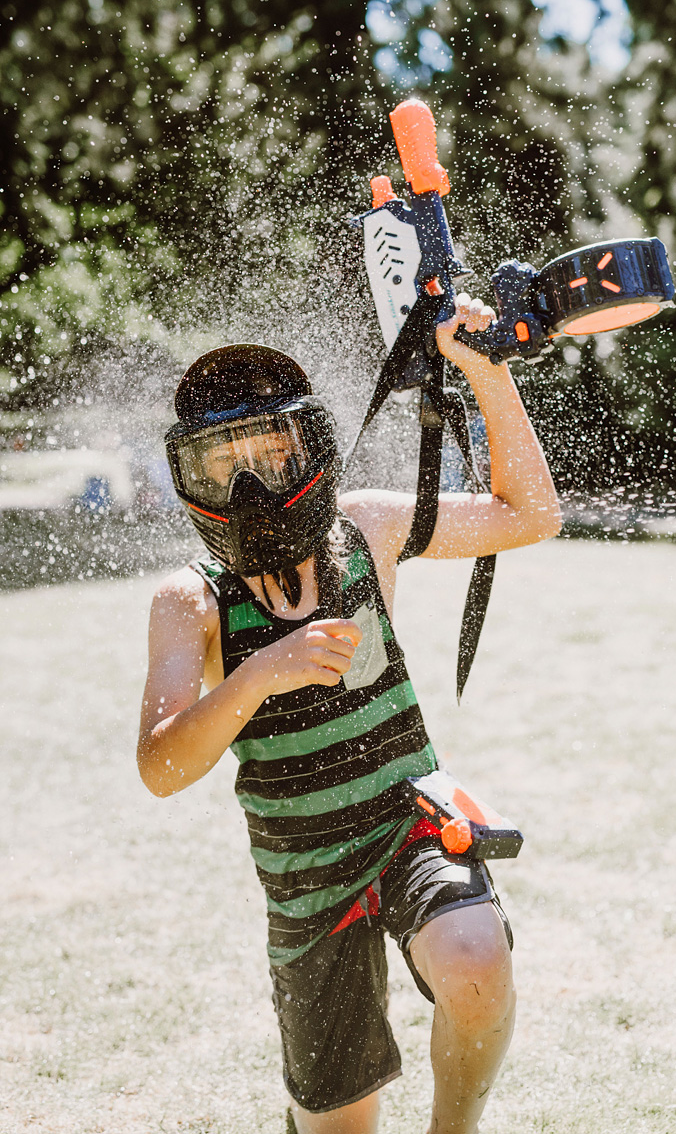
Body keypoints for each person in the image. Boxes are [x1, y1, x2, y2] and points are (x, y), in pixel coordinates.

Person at [137, 296, 562, 1134]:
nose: (251, 482)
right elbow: (161, 767)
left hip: (408, 823)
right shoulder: (190, 600)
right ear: (191, 476)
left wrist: (485, 368)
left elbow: (530, 514)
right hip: (306, 884)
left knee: (478, 964)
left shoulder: (362, 527)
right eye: (223, 462)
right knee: (341, 1123)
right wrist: (260, 671)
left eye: (270, 450)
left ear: (311, 447)